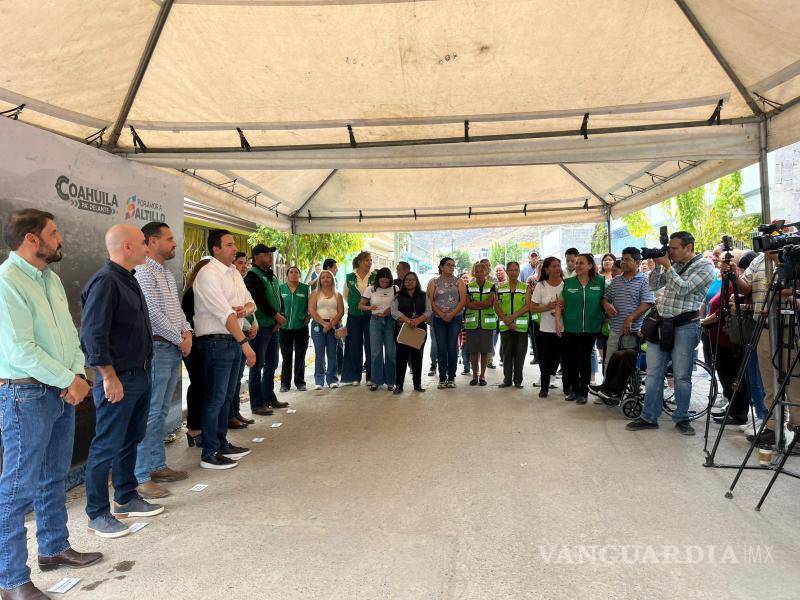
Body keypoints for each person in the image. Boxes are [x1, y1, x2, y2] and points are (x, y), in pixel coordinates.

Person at [0, 209, 101, 599]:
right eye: (54, 232)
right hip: (25, 394)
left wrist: (76, 374)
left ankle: (54, 548)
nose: (60, 239)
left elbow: (69, 334)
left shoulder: (51, 279)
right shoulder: (7, 282)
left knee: (53, 477)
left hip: (59, 390)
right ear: (32, 239)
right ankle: (11, 580)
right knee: (16, 490)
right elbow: (20, 350)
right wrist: (68, 379)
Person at [80, 224, 162, 538]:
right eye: (142, 243)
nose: (147, 247)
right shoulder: (106, 282)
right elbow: (92, 335)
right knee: (106, 445)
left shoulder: (128, 277)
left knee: (131, 438)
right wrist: (108, 376)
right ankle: (97, 513)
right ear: (127, 247)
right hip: (118, 378)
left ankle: (126, 497)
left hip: (139, 374)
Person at [626, 232, 714, 436]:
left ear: (688, 248)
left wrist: (667, 265)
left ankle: (682, 417)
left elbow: (684, 289)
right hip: (661, 323)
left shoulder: (705, 266)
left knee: (681, 376)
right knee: (653, 374)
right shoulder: (673, 263)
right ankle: (649, 416)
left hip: (685, 325)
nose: (670, 252)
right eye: (669, 248)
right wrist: (658, 265)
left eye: (674, 248)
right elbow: (654, 285)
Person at [132, 222, 191, 500]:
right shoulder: (144, 271)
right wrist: (179, 338)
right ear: (152, 242)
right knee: (151, 413)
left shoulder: (165, 272)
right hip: (158, 348)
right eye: (169, 239)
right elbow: (152, 314)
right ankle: (141, 476)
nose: (174, 243)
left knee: (161, 411)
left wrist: (187, 332)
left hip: (172, 346)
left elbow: (176, 310)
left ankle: (157, 466)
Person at [192, 229, 256, 469]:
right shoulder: (208, 274)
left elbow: (250, 303)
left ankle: (221, 443)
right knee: (215, 398)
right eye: (229, 245)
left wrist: (244, 310)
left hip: (231, 339)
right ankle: (209, 453)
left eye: (234, 244)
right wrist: (245, 344)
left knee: (227, 396)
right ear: (215, 249)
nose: (235, 249)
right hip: (216, 342)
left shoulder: (234, 273)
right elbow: (225, 314)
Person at [555, 253, 605, 404]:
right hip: (571, 327)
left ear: (590, 265)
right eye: (576, 263)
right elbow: (559, 303)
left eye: (581, 263)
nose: (577, 265)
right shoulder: (568, 282)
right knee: (572, 360)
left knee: (585, 359)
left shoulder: (600, 281)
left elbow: (605, 300)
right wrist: (558, 322)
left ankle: (584, 391)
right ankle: (573, 389)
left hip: (591, 327)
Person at [244, 244, 288, 412]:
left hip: (273, 327)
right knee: (257, 365)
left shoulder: (272, 275)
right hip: (261, 327)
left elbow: (279, 297)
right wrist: (275, 315)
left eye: (271, 254)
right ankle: (257, 404)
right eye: (266, 254)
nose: (270, 256)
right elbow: (258, 300)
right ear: (256, 256)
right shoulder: (252, 276)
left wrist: (281, 315)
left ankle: (269, 397)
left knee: (272, 363)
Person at [599, 247, 656, 365]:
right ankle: (608, 378)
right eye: (622, 259)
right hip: (615, 329)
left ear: (637, 262)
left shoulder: (645, 280)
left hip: (633, 331)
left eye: (627, 259)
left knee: (628, 365)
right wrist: (606, 305)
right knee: (609, 363)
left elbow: (647, 303)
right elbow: (605, 298)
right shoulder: (616, 280)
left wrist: (630, 319)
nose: (623, 262)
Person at [182, 258, 210, 448]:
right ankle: (194, 428)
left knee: (203, 386)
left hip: (203, 344)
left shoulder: (205, 292)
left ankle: (200, 427)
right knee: (198, 385)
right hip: (193, 344)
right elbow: (187, 321)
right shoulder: (192, 293)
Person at [428, 257, 467, 388]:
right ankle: (442, 378)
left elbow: (463, 301)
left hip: (455, 318)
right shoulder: (434, 282)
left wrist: (451, 314)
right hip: (438, 318)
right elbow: (430, 301)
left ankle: (451, 377)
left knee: (452, 347)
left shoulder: (459, 282)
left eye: (453, 265)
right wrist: (441, 314)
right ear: (441, 267)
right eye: (449, 265)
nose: (451, 267)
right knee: (441, 348)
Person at [391, 271, 432, 394]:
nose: (409, 282)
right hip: (402, 329)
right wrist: (407, 320)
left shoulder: (423, 295)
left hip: (419, 330)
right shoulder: (398, 295)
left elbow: (429, 311)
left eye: (412, 280)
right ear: (404, 282)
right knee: (401, 358)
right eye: (407, 280)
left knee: (417, 357)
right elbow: (394, 311)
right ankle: (399, 386)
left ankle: (417, 384)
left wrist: (418, 320)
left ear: (416, 281)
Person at [530, 257, 564, 397]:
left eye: (558, 265)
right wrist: (548, 307)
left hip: (563, 329)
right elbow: (532, 307)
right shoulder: (541, 285)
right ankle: (544, 387)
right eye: (554, 266)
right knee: (545, 359)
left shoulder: (566, 284)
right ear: (546, 269)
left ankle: (567, 387)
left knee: (562, 359)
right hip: (545, 329)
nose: (557, 268)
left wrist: (563, 308)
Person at [360, 267, 398, 391]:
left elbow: (398, 305)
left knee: (390, 352)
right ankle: (376, 380)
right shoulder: (370, 289)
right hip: (375, 321)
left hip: (390, 321)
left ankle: (391, 381)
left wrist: (390, 310)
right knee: (376, 352)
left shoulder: (395, 288)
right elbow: (360, 305)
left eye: (387, 282)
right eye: (382, 281)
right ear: (378, 280)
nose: (384, 284)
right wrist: (370, 308)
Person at [495, 261, 531, 388]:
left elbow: (527, 306)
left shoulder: (525, 287)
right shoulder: (500, 288)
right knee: (506, 354)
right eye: (510, 270)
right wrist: (506, 320)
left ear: (519, 271)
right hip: (506, 326)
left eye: (516, 270)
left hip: (520, 327)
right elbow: (496, 307)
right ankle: (507, 380)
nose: (513, 272)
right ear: (507, 271)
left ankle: (518, 380)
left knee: (520, 355)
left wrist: (512, 318)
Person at [308, 270, 344, 389]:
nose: (325, 279)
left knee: (332, 353)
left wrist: (331, 324)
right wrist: (323, 323)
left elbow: (341, 312)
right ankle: (319, 381)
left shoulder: (338, 295)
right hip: (318, 326)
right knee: (319, 353)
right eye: (323, 277)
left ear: (332, 279)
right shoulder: (315, 294)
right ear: (319, 280)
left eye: (328, 277)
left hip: (333, 326)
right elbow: (312, 310)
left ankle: (332, 379)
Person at [342, 251, 374, 385]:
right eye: (367, 260)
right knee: (354, 345)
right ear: (359, 262)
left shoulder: (375, 276)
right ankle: (355, 376)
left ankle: (371, 377)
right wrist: (355, 305)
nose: (369, 262)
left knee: (371, 345)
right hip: (354, 315)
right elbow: (346, 295)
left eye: (370, 260)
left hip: (371, 315)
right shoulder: (350, 277)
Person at [463, 261, 497, 386]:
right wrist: (482, 304)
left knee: (484, 352)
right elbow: (467, 304)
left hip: (486, 324)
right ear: (473, 273)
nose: (479, 273)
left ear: (486, 272)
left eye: (481, 271)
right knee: (473, 351)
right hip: (472, 324)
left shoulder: (491, 286)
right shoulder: (469, 286)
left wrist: (475, 303)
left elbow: (490, 303)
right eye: (476, 271)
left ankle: (482, 376)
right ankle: (474, 376)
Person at [279, 266, 310, 392]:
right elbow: (276, 305)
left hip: (301, 327)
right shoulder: (281, 288)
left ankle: (300, 382)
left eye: (296, 272)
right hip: (284, 328)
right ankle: (285, 384)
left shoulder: (306, 288)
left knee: (300, 356)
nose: (293, 274)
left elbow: (311, 305)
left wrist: (308, 316)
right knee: (286, 357)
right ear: (287, 275)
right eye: (291, 272)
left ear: (299, 275)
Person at [322, 257, 344, 375]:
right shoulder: (318, 284)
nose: (337, 269)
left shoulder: (335, 282)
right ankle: (323, 370)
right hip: (322, 321)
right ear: (328, 268)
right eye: (335, 267)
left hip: (336, 319)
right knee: (322, 348)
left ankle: (339, 369)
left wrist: (337, 319)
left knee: (337, 345)